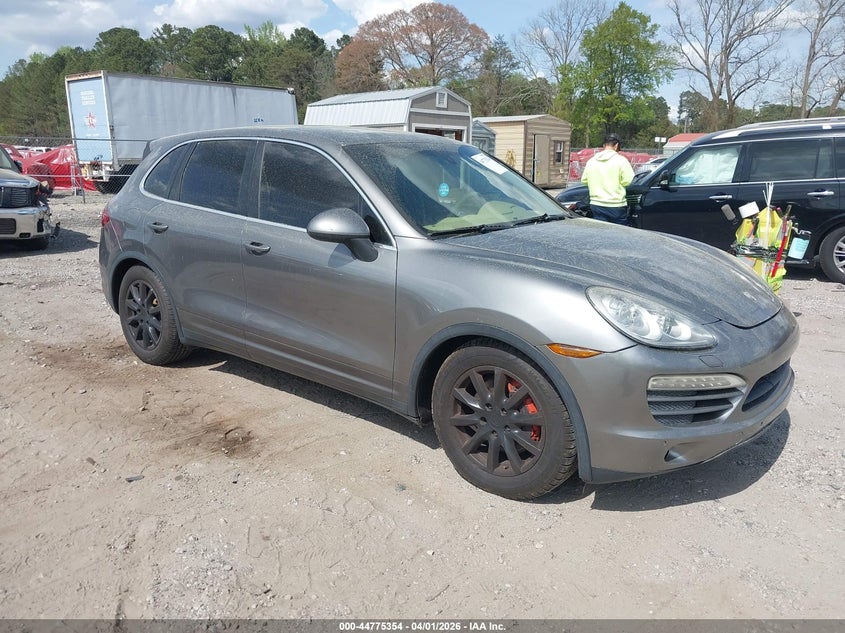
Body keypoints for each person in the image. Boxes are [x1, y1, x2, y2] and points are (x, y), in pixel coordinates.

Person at [580, 133, 635, 225]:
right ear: (616, 145)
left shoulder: (591, 161)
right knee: (620, 231)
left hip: (596, 204)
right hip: (616, 205)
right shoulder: (621, 161)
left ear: (604, 145)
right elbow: (628, 181)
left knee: (601, 231)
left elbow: (584, 180)